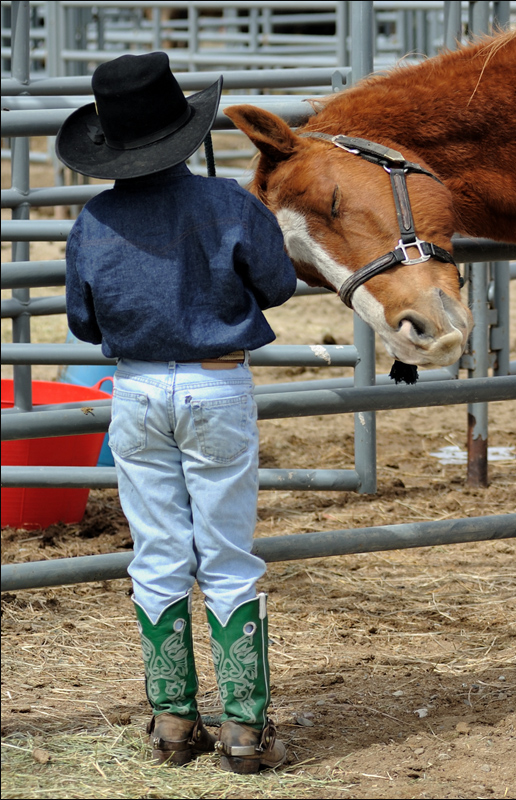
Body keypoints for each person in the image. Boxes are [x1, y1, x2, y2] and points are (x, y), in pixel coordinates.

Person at [55, 51, 298, 773]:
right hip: (215, 384)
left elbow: (81, 323)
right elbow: (279, 284)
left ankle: (171, 722)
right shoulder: (229, 205)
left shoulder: (93, 222)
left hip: (134, 389)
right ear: (185, 133)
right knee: (225, 554)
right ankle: (247, 728)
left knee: (158, 551)